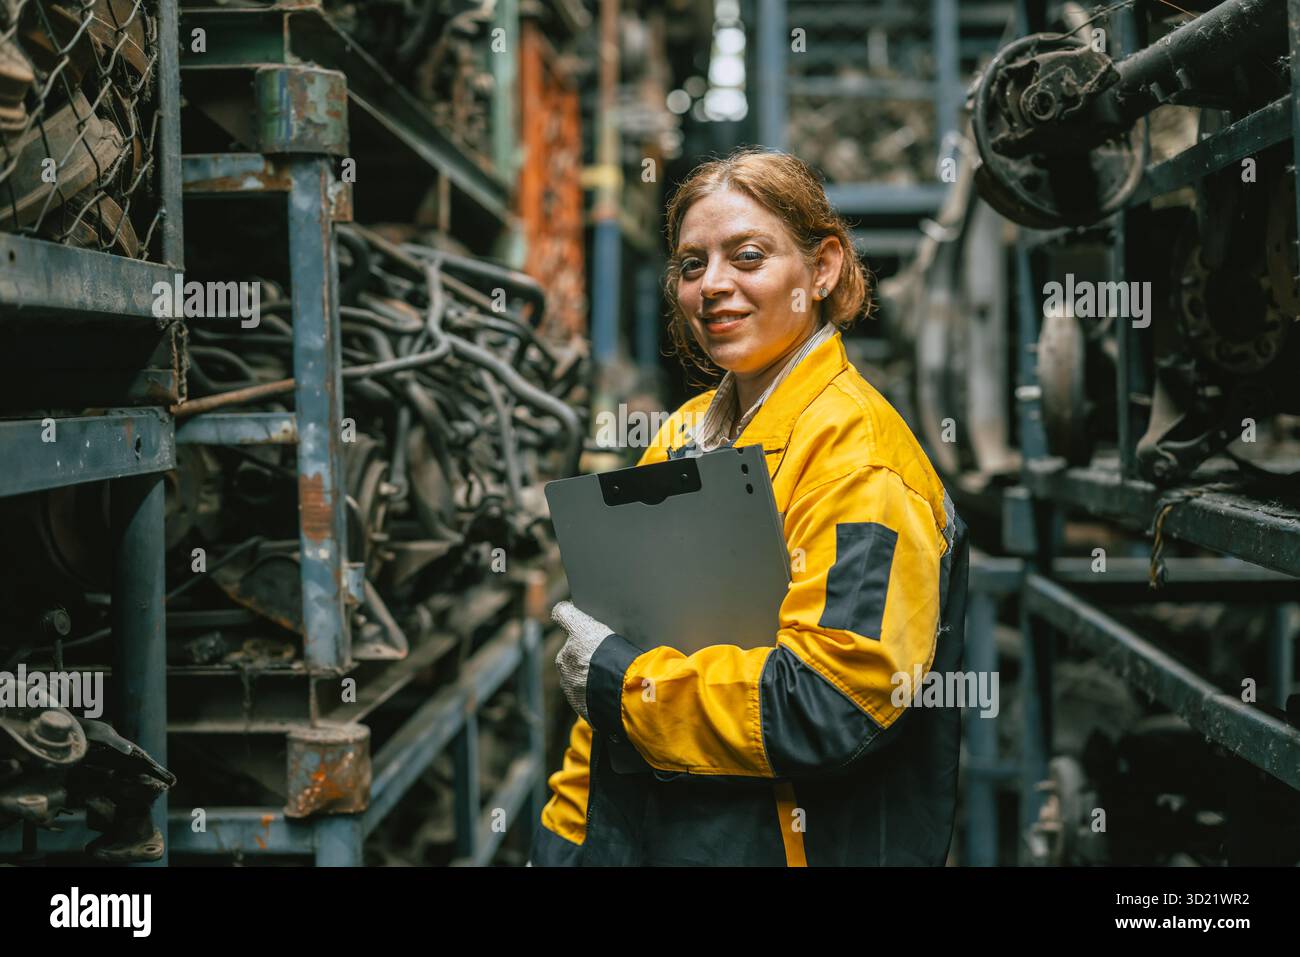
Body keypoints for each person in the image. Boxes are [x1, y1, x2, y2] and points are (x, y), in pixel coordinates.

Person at [531, 146, 969, 866]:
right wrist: (565, 837)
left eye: (748, 256)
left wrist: (625, 683)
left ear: (822, 268)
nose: (713, 285)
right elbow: (609, 674)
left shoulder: (858, 456)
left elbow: (830, 703)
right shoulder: (681, 438)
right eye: (692, 264)